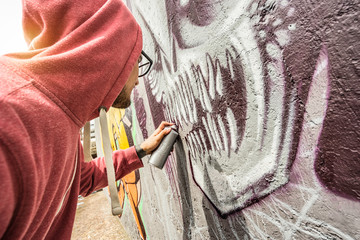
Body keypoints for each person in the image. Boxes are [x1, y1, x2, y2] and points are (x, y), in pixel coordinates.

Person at [0, 0, 172, 239]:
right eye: (135, 55)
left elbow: (84, 179)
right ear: (109, 51)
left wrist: (141, 150)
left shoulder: (61, 118)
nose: (137, 78)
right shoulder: (10, 117)